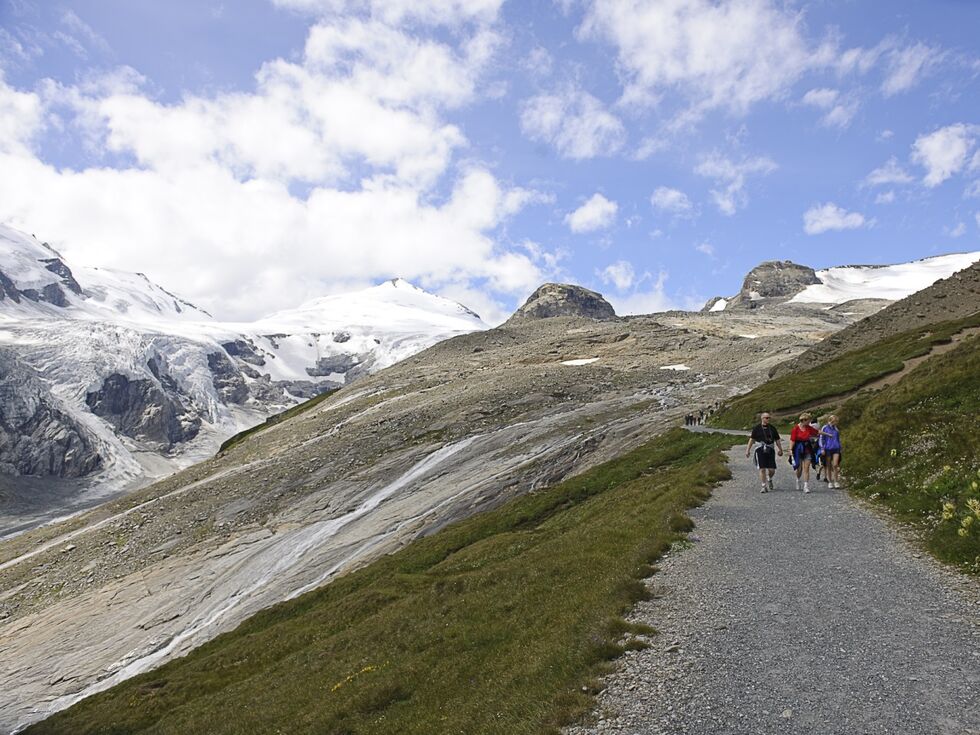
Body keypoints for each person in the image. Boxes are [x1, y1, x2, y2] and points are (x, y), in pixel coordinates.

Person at [790, 412, 831, 493]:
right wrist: (790, 450)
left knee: (806, 468)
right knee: (799, 469)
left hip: (807, 449)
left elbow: (818, 432)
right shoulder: (795, 429)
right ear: (804, 420)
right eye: (808, 420)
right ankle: (798, 479)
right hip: (798, 449)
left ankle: (806, 486)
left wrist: (828, 434)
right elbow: (792, 440)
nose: (809, 422)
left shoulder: (808, 428)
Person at [745, 412, 784, 493]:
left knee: (772, 470)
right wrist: (748, 450)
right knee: (762, 468)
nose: (768, 419)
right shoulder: (757, 428)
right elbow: (752, 439)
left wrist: (780, 449)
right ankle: (763, 486)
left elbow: (777, 439)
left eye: (769, 418)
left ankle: (769, 478)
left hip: (770, 449)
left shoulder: (772, 428)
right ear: (762, 418)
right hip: (760, 449)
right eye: (766, 418)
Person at [821, 414, 843, 488]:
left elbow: (838, 439)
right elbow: (821, 438)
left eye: (836, 422)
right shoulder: (825, 428)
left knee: (835, 465)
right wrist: (822, 448)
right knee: (828, 465)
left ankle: (836, 481)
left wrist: (840, 447)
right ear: (830, 421)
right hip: (827, 449)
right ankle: (830, 481)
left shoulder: (836, 429)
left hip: (836, 448)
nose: (835, 423)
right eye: (834, 421)